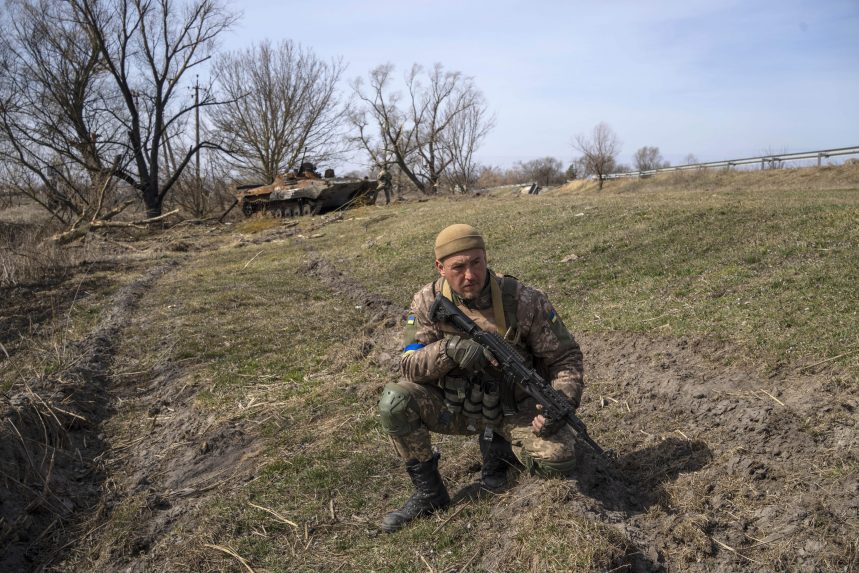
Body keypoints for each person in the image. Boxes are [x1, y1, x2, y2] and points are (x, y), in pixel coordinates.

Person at [377, 223, 585, 532]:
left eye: (476, 262)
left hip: (514, 409)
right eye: (458, 267)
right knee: (395, 400)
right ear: (440, 267)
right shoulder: (425, 302)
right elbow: (409, 365)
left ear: (486, 257)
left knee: (560, 460)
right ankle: (429, 494)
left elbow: (565, 359)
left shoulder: (524, 300)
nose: (470, 275)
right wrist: (449, 350)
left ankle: (503, 448)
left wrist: (559, 404)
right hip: (457, 408)